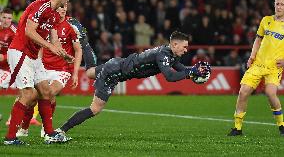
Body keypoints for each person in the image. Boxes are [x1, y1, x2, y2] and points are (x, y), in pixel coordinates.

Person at [56, 31, 210, 138]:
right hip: (115, 72)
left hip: (118, 64)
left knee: (90, 72)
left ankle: (83, 41)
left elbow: (182, 70)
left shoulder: (170, 53)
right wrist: (191, 73)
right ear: (175, 44)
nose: (186, 50)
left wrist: (194, 71)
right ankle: (61, 130)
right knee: (95, 109)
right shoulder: (163, 54)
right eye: (184, 47)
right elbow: (170, 77)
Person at [4, 0, 73, 145]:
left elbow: (54, 39)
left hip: (33, 56)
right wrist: (49, 46)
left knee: (46, 92)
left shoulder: (55, 14)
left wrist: (63, 54)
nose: (68, 1)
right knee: (28, 95)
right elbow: (29, 30)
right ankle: (10, 137)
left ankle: (49, 134)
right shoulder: (41, 6)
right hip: (20, 51)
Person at [16, 3, 82, 137]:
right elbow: (40, 47)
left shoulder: (71, 27)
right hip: (44, 68)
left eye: (64, 8)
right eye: (60, 8)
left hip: (62, 70)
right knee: (33, 98)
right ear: (55, 9)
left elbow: (78, 50)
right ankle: (24, 128)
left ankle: (46, 129)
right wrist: (36, 65)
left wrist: (75, 74)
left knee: (50, 92)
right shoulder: (47, 25)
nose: (62, 10)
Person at [228, 0, 284, 136]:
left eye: (282, 4)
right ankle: (237, 127)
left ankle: (281, 125)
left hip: (274, 67)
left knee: (270, 94)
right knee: (243, 92)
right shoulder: (266, 20)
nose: (279, 7)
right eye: (277, 3)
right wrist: (252, 56)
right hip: (258, 64)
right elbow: (258, 40)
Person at [0, 8, 16, 123]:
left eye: (9, 18)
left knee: (26, 92)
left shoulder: (14, 32)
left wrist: (4, 57)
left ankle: (14, 119)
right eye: (4, 17)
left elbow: (17, 51)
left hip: (8, 68)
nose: (6, 20)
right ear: (0, 17)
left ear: (12, 19)